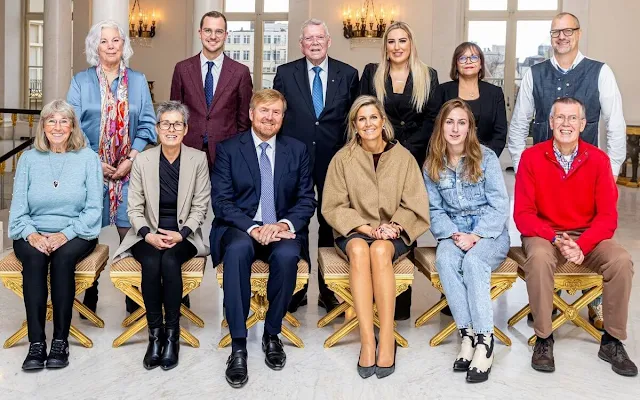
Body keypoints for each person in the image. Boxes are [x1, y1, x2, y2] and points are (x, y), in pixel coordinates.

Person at [507, 12, 625, 330]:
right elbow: (517, 127)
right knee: (545, 239)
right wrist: (525, 172)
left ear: (578, 33)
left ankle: (594, 302)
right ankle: (548, 302)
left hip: (587, 178)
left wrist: (608, 177)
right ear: (551, 36)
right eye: (556, 31)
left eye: (568, 30)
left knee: (591, 236)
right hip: (545, 180)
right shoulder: (535, 74)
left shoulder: (600, 72)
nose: (562, 36)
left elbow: (615, 128)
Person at [514, 97, 636, 377]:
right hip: (544, 233)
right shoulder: (531, 157)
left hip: (586, 234)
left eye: (572, 118)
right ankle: (544, 338)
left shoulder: (599, 160)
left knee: (620, 261)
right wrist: (555, 239)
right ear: (550, 122)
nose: (565, 124)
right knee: (540, 258)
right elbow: (523, 214)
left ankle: (612, 340)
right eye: (560, 118)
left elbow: (607, 217)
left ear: (583, 124)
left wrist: (582, 245)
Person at [210, 89, 316, 388]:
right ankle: (239, 344)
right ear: (251, 114)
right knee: (238, 251)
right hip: (241, 228)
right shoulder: (230, 149)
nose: (270, 117)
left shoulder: (296, 150)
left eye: (276, 112)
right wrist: (253, 227)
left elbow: (307, 199)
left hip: (281, 229)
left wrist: (282, 224)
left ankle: (272, 334)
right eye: (264, 111)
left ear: (283, 117)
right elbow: (222, 201)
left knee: (286, 256)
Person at [322, 95, 430, 379]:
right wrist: (366, 228)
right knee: (359, 250)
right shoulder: (342, 159)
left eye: (373, 117)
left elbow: (416, 203)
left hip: (394, 231)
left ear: (383, 121)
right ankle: (367, 340)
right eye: (361, 119)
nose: (368, 124)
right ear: (354, 125)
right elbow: (333, 205)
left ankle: (387, 337)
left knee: (381, 251)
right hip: (355, 231)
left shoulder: (403, 157)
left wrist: (394, 226)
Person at [67, 19, 157, 314]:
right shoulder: (81, 81)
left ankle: (133, 295)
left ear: (124, 45)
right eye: (103, 41)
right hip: (90, 169)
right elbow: (71, 127)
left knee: (128, 232)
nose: (110, 46)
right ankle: (88, 289)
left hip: (129, 170)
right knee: (88, 233)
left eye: (115, 40)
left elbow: (147, 124)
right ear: (95, 46)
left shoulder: (139, 80)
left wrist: (130, 158)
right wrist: (96, 162)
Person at [112, 101, 210, 371]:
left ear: (186, 129)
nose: (171, 128)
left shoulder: (198, 159)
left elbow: (201, 206)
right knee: (153, 262)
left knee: (170, 262)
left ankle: (172, 336)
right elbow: (133, 207)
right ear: (157, 128)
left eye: (177, 124)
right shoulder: (143, 160)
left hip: (184, 236)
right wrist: (148, 235)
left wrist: (181, 234)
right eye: (165, 123)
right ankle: (155, 337)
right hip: (147, 234)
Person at [8, 100, 102, 371]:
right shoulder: (28, 159)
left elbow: (94, 209)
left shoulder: (87, 158)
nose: (58, 127)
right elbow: (18, 210)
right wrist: (32, 235)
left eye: (64, 121)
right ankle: (36, 343)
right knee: (35, 261)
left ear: (73, 126)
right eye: (52, 120)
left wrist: (66, 234)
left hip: (77, 231)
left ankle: (60, 341)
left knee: (62, 262)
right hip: (33, 230)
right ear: (43, 126)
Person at [273, 18, 359, 314]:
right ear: (301, 44)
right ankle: (296, 289)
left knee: (329, 221)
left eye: (318, 37)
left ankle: (328, 289)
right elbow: (278, 118)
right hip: (294, 159)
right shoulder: (285, 73)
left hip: (334, 159)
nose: (314, 42)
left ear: (328, 40)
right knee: (296, 219)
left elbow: (352, 121)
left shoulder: (348, 74)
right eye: (308, 38)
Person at [423, 99, 510, 383]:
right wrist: (453, 234)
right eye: (449, 122)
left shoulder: (486, 157)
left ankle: (485, 341)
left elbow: (499, 205)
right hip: (454, 231)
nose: (455, 128)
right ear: (441, 127)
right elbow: (435, 209)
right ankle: (467, 335)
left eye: (462, 122)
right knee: (445, 259)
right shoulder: (432, 164)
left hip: (489, 232)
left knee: (473, 262)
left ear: (470, 127)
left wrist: (476, 235)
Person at [359, 21, 439, 320]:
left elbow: (432, 118)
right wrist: (384, 144)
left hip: (412, 156)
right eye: (391, 41)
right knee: (373, 214)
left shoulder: (427, 74)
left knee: (404, 216)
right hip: (375, 153)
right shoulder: (372, 73)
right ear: (385, 46)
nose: (396, 47)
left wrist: (404, 149)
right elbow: (362, 109)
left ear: (411, 43)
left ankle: (399, 304)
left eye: (402, 41)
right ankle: (368, 300)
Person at [171, 10, 253, 169]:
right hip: (188, 150)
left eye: (219, 31)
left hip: (227, 153)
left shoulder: (240, 72)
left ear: (226, 35)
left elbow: (244, 121)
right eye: (208, 30)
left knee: (222, 195)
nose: (213, 36)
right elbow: (175, 114)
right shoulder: (182, 69)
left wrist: (239, 152)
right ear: (200, 33)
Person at [426, 42, 507, 157]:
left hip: (484, 160)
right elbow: (432, 128)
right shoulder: (441, 91)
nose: (468, 61)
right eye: (462, 58)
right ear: (456, 65)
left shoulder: (495, 93)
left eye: (474, 57)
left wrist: (485, 160)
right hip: (447, 159)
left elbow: (500, 133)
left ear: (481, 64)